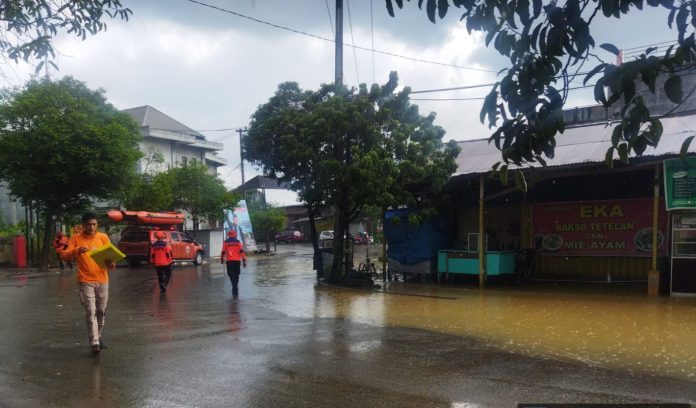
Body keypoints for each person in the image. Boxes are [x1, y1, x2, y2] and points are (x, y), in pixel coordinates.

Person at [62, 211, 116, 355]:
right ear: (83, 225)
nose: (91, 227)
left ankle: (98, 335)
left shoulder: (103, 238)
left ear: (97, 224)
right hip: (85, 280)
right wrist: (77, 250)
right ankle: (94, 343)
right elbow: (64, 255)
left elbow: (111, 261)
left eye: (94, 224)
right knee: (90, 310)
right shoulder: (75, 239)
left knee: (101, 311)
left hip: (103, 280)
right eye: (88, 224)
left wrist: (111, 263)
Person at [221, 229, 246, 298]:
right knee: (236, 274)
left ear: (228, 235)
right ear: (235, 235)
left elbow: (223, 251)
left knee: (231, 275)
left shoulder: (226, 242)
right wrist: (244, 260)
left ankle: (234, 287)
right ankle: (235, 287)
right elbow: (241, 251)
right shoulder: (238, 242)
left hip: (229, 261)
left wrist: (221, 258)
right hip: (237, 261)